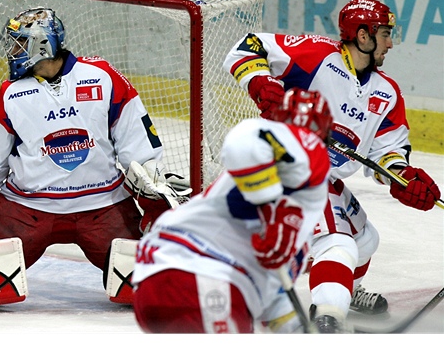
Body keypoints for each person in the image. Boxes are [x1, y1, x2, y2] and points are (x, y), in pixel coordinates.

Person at [0, 7, 187, 306]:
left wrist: (152, 197)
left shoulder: (103, 77)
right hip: (26, 209)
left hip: (102, 207)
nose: (13, 50)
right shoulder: (11, 93)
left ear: (41, 44)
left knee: (157, 286)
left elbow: (136, 141)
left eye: (19, 43)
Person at [222, 0, 441, 332]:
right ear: (363, 36)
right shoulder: (317, 55)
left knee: (366, 239)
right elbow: (247, 46)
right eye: (384, 33)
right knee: (337, 242)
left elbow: (388, 152)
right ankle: (328, 317)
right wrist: (262, 84)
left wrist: (403, 178)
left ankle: (345, 290)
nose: (390, 42)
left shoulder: (387, 92)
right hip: (290, 170)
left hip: (327, 179)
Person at [132, 88, 334, 333]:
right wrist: (272, 208)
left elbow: (274, 296)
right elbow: (244, 140)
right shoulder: (305, 150)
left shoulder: (298, 212)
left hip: (163, 276)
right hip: (200, 274)